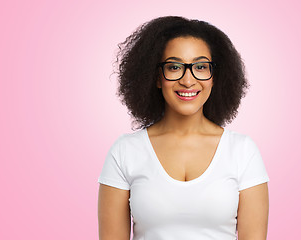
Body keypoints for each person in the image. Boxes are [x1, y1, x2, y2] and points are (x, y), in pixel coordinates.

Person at [98, 16, 270, 240]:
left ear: (214, 77)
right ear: (157, 77)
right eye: (174, 67)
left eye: (200, 67)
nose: (188, 81)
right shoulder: (125, 152)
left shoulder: (242, 151)